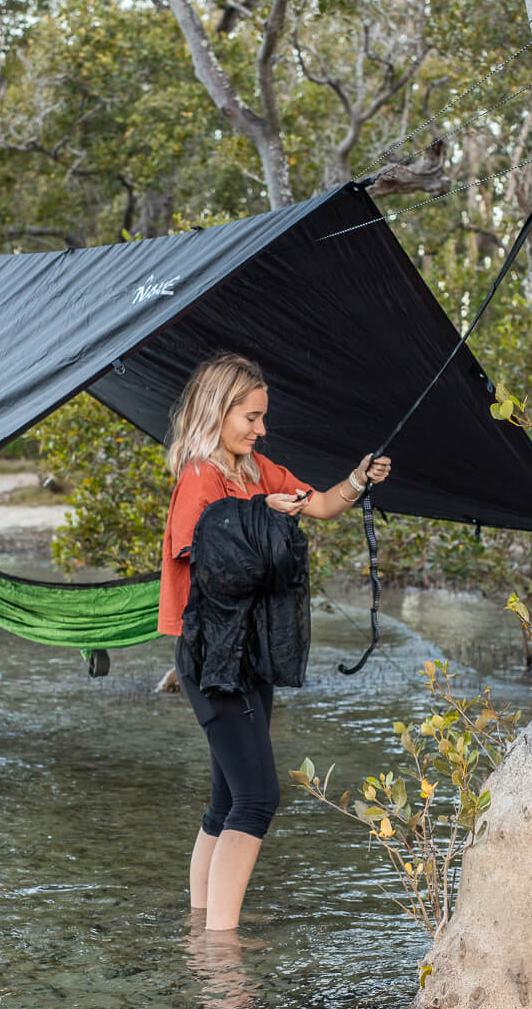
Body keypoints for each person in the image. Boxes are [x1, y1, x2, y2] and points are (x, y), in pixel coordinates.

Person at [159, 352, 392, 931]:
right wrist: (257, 512)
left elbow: (321, 505)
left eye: (263, 419)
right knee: (258, 799)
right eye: (252, 417)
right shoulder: (199, 474)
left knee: (226, 801)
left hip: (249, 651)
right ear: (219, 410)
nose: (262, 429)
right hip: (211, 654)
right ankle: (222, 945)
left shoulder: (256, 468)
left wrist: (359, 479)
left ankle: (203, 926)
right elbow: (202, 546)